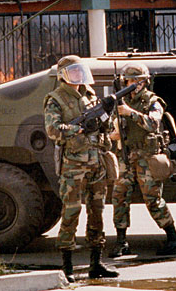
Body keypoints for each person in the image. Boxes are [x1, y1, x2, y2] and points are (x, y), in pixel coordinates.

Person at [44, 55, 119, 282]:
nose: (78, 75)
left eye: (80, 71)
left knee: (97, 212)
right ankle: (67, 267)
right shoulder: (55, 99)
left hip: (96, 163)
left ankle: (96, 263)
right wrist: (76, 129)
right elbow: (53, 130)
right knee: (71, 213)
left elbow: (104, 127)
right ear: (64, 75)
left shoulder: (89, 94)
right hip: (74, 167)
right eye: (73, 72)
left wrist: (108, 111)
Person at [109, 62, 176, 257]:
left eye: (137, 81)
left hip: (146, 157)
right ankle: (121, 241)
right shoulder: (122, 100)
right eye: (130, 80)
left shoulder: (152, 101)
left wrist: (130, 113)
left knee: (152, 199)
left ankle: (173, 237)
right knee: (119, 196)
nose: (133, 84)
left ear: (144, 82)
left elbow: (153, 123)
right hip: (125, 155)